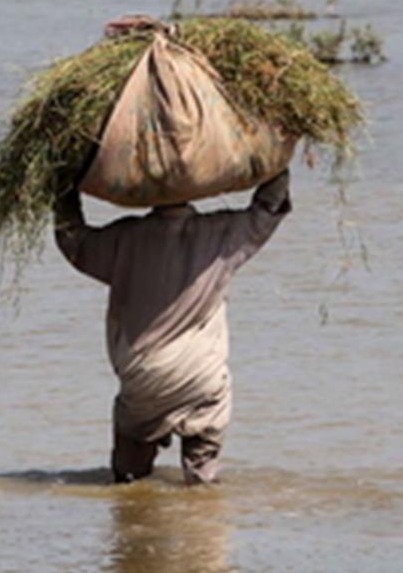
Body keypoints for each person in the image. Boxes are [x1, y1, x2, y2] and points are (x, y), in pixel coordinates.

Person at [53, 169, 292, 485]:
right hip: (202, 380)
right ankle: (199, 507)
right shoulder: (223, 234)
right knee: (203, 485)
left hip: (144, 380)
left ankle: (134, 515)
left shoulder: (124, 239)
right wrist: (279, 162)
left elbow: (72, 238)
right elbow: (268, 208)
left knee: (128, 481)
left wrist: (63, 187)